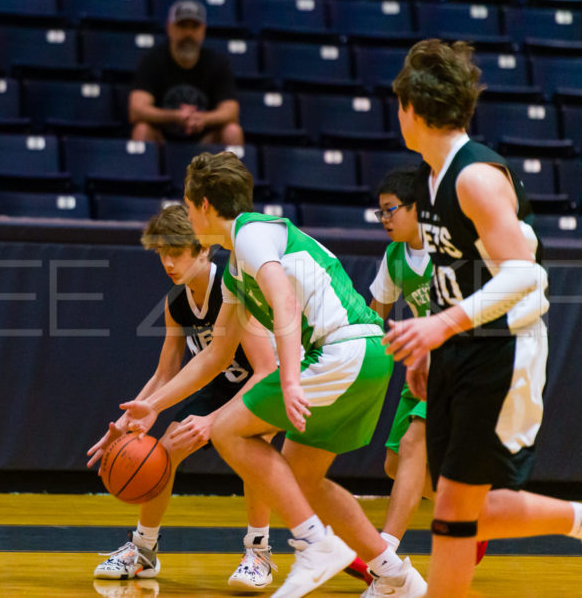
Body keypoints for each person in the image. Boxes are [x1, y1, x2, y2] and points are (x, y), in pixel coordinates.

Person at [383, 38, 582, 597]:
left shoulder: (474, 177)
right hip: (462, 344)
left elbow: (525, 274)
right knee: (451, 497)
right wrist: (433, 340)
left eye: (397, 104)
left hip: (504, 347)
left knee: (453, 510)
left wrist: (438, 325)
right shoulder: (430, 177)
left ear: (412, 108)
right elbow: (461, 271)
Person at [115, 151, 428, 598]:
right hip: (364, 355)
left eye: (187, 204)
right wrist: (154, 404)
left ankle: (313, 545)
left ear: (204, 204)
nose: (185, 213)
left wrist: (289, 379)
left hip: (342, 349)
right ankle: (396, 576)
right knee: (304, 478)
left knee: (227, 431)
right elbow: (215, 356)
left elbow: (281, 299)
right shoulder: (237, 266)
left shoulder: (251, 234)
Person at [87, 204, 279, 589]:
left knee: (255, 446)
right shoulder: (177, 303)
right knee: (163, 449)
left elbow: (266, 370)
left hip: (272, 378)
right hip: (223, 382)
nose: (168, 262)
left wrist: (216, 421)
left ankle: (259, 552)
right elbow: (165, 372)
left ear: (204, 249)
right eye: (162, 253)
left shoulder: (234, 286)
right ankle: (143, 550)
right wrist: (126, 423)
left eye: (177, 252)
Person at [367, 167, 438, 561]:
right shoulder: (395, 257)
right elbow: (373, 315)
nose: (385, 220)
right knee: (395, 464)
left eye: (391, 210)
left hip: (458, 361)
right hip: (422, 368)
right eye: (381, 213)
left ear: (417, 207)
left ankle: (384, 553)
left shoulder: (447, 248)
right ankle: (470, 515)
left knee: (414, 442)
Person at [129, 0, 243, 145]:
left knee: (232, 131)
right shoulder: (152, 60)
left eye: (194, 27)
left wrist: (202, 118)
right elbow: (136, 110)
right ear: (169, 28)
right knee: (142, 129)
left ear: (203, 31)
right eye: (182, 26)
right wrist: (175, 116)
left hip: (204, 143)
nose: (188, 33)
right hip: (163, 142)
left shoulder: (217, 62)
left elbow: (231, 111)